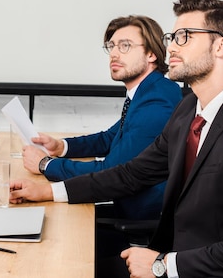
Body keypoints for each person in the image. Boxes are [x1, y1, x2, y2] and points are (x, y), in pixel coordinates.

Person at [10, 0, 223, 278]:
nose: (171, 47)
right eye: (172, 37)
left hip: (207, 269)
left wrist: (162, 266)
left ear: (221, 45)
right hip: (175, 256)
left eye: (184, 37)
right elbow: (132, 174)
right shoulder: (187, 111)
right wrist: (49, 191)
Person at [22, 15, 181, 223]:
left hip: (139, 223)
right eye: (112, 46)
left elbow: (111, 171)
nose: (114, 53)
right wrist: (61, 146)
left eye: (125, 46)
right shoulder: (148, 91)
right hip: (126, 208)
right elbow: (110, 138)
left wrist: (46, 164)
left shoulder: (158, 102)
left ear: (151, 54)